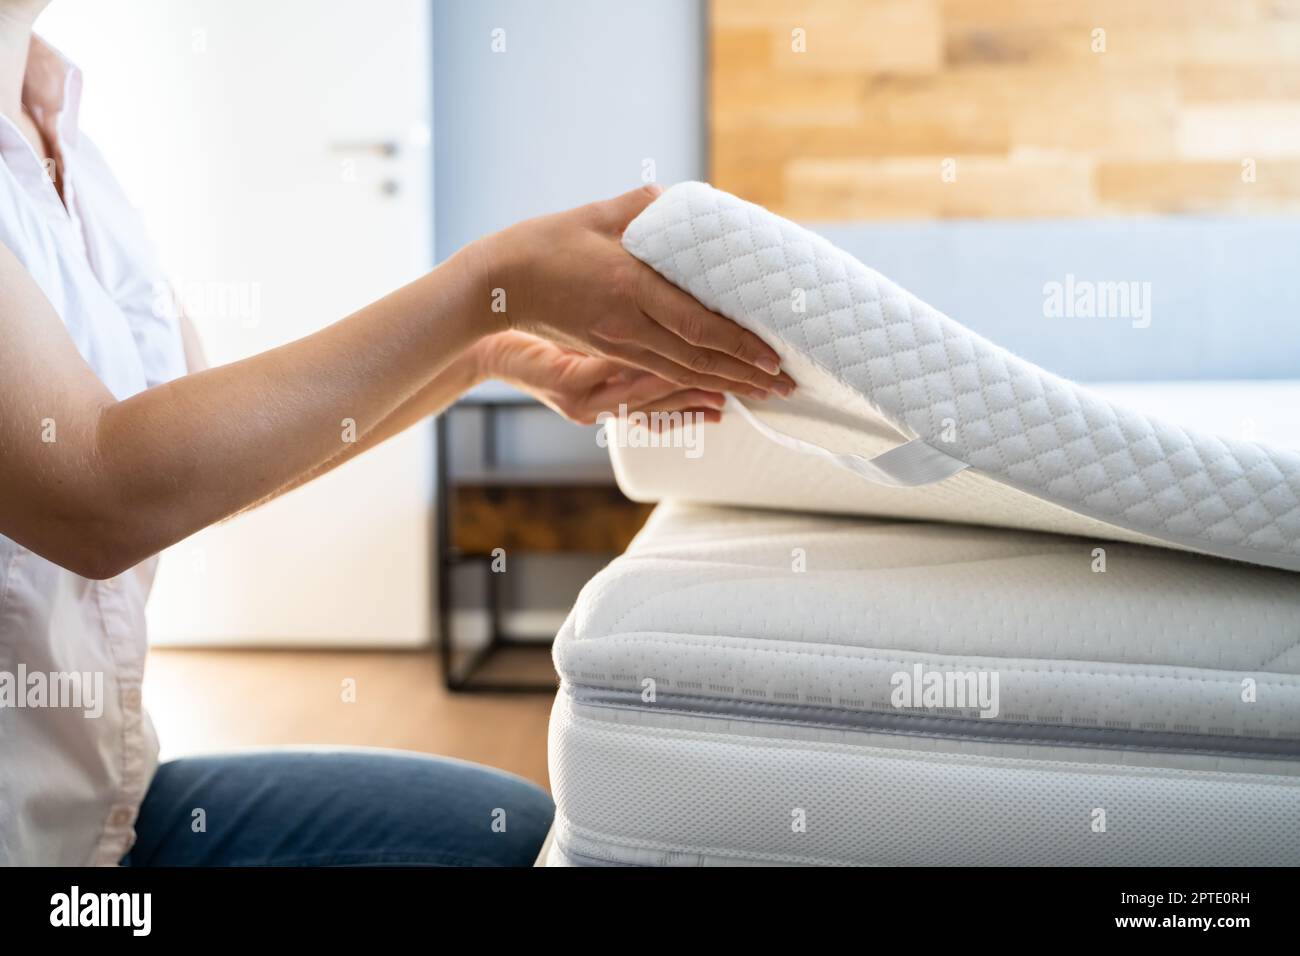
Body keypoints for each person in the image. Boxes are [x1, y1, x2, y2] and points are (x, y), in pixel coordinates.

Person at [0, 0, 794, 866]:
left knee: (515, 836)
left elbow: (187, 465)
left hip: (105, 816)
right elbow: (104, 494)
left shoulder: (59, 122)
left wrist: (483, 353)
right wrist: (487, 286)